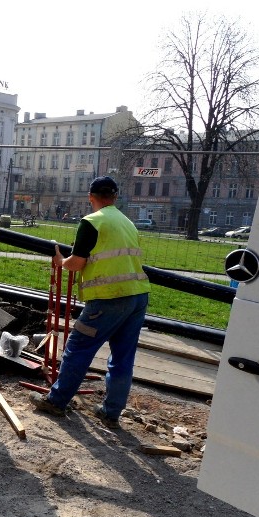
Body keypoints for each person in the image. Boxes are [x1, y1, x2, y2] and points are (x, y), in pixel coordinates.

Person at [30, 176, 151, 428]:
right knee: (122, 357)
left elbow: (78, 262)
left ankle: (57, 401)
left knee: (78, 348)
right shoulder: (128, 223)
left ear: (90, 197)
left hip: (109, 298)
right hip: (138, 295)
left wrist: (61, 261)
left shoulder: (92, 222)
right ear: (115, 197)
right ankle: (111, 412)